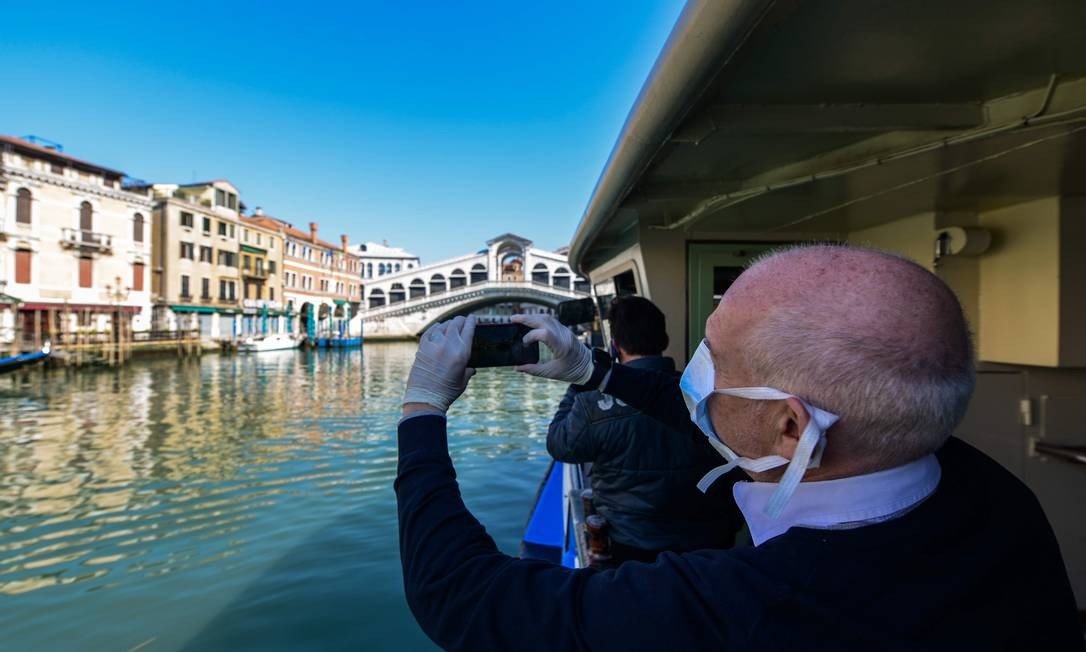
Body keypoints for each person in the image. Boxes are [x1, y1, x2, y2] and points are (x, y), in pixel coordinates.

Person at [396, 244, 1083, 651]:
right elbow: (708, 420)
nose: (693, 376)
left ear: (791, 429)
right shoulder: (993, 496)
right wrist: (592, 371)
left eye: (713, 363)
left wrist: (424, 407)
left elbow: (454, 594)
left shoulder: (742, 611)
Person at [546, 295, 741, 562]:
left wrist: (580, 381)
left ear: (615, 347)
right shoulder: (707, 395)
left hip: (628, 547)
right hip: (711, 547)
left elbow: (559, 445)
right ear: (664, 341)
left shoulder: (592, 404)